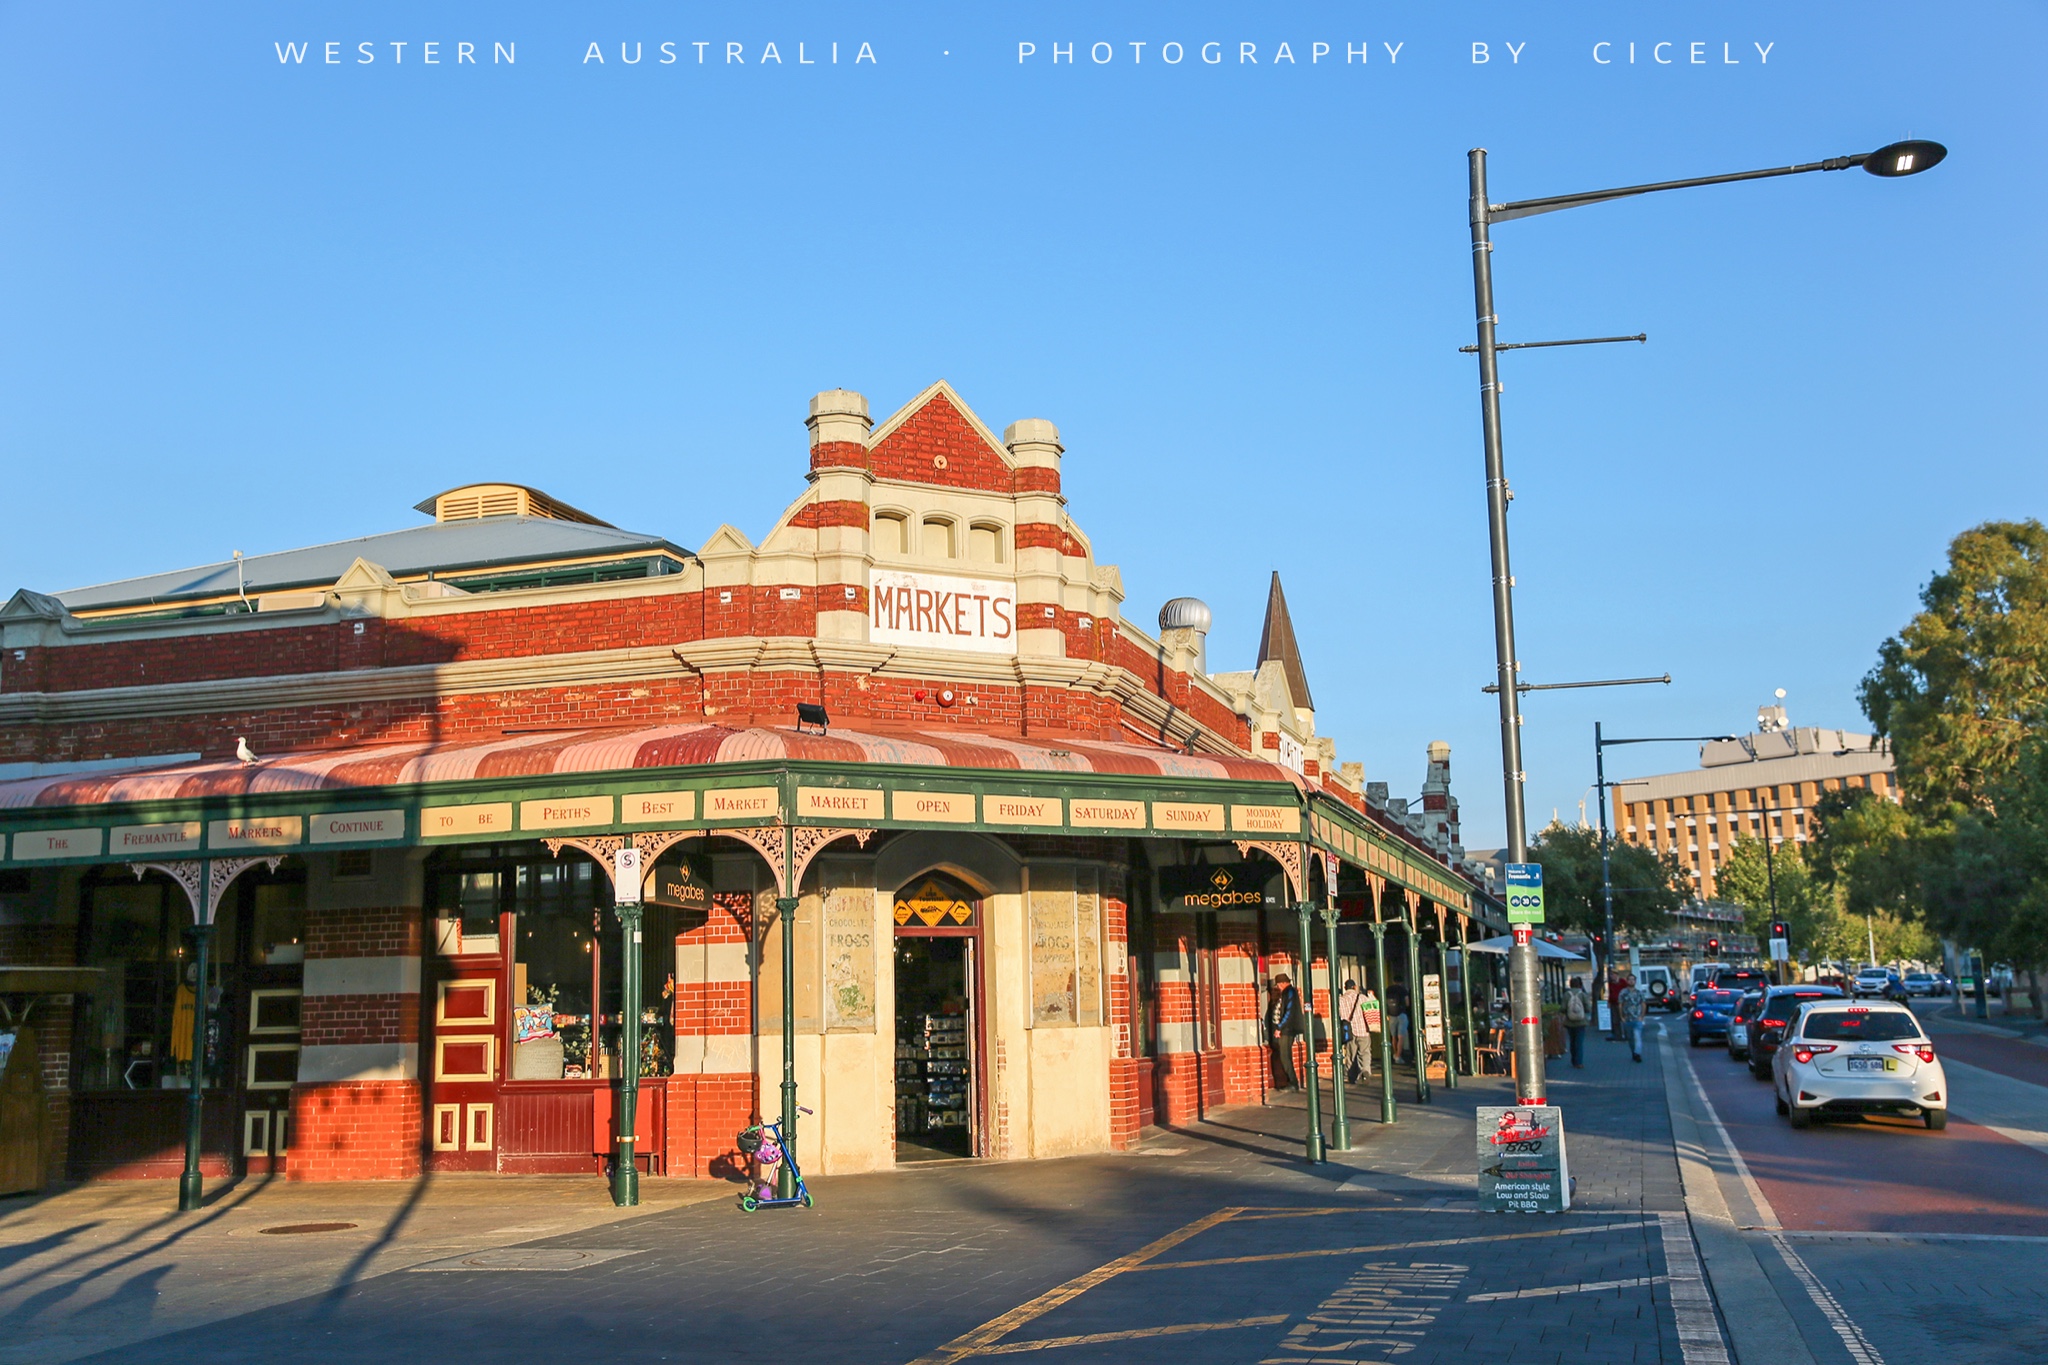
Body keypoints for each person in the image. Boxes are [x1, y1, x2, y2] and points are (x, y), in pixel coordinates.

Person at [1266, 973, 1303, 1091]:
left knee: (1285, 1056)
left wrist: (1279, 1027)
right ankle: (1291, 1081)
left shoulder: (1289, 992)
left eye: (1278, 985)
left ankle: (1293, 1082)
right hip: (1286, 1029)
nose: (1277, 987)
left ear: (1282, 983)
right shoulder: (1288, 992)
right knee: (1284, 1056)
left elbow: (1289, 1012)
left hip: (1287, 1029)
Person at [1338, 979, 1377, 1080]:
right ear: (1355, 987)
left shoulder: (1341, 999)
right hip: (1363, 1029)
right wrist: (1371, 995)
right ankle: (1365, 1071)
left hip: (1349, 1031)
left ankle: (1349, 1074)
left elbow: (1341, 1015)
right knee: (1364, 1052)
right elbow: (1373, 1005)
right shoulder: (1362, 998)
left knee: (1351, 1054)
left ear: (1345, 988)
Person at [1562, 976, 1593, 1068]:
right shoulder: (1582, 994)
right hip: (1581, 1022)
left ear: (1570, 984)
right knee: (1579, 1042)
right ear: (1579, 985)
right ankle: (1579, 1062)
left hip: (1569, 1022)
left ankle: (1573, 1059)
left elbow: (1563, 1008)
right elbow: (1588, 1008)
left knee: (1572, 1041)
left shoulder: (1566, 994)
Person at [1619, 974, 1648, 1062]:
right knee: (1630, 1039)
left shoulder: (1639, 993)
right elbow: (1620, 1005)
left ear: (1635, 981)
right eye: (1630, 980)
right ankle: (1634, 1053)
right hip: (1627, 1019)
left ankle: (1637, 1053)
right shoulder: (1623, 992)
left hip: (1637, 1018)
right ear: (1627, 981)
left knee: (1637, 1036)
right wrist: (1621, 1017)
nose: (1631, 981)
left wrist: (1642, 1016)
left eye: (1633, 980)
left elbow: (1643, 1004)